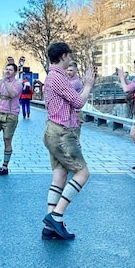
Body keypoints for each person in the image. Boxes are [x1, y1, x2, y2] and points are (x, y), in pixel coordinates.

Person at [41, 42, 95, 240]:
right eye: (69, 56)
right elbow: (79, 103)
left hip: (53, 131)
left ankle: (49, 226)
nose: (70, 60)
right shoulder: (58, 78)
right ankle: (56, 215)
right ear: (63, 56)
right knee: (82, 173)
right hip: (62, 134)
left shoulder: (53, 76)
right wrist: (88, 85)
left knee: (60, 176)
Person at [0, 62, 23, 176]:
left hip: (11, 115)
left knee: (7, 140)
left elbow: (12, 94)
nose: (7, 71)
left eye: (10, 70)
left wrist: (5, 82)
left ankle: (5, 166)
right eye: (6, 69)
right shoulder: (0, 83)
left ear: (15, 73)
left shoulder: (18, 84)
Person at [66, 61, 84, 139]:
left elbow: (68, 95)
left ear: (76, 70)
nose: (69, 72)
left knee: (74, 138)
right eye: (67, 70)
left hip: (76, 113)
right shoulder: (67, 80)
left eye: (71, 70)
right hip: (69, 112)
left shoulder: (76, 82)